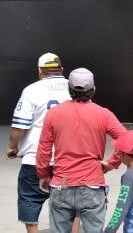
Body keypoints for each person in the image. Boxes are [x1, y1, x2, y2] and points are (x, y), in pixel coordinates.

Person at [36, 67, 127, 233]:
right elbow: (126, 139)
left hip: (61, 184)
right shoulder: (104, 114)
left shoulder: (53, 114)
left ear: (69, 89)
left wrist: (42, 174)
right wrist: (111, 163)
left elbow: (44, 148)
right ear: (93, 90)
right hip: (92, 185)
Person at [4, 53, 80, 233]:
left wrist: (12, 148)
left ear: (40, 72)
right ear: (61, 70)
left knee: (30, 199)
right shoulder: (75, 87)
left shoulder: (31, 90)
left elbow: (19, 126)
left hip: (35, 159)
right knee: (73, 203)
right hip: (69, 159)